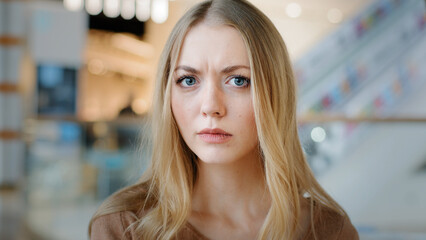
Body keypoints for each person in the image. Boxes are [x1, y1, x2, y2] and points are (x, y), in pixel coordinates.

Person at [89, 0, 359, 239]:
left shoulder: (329, 232)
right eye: (189, 80)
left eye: (238, 80)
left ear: (276, 95)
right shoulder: (125, 227)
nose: (210, 107)